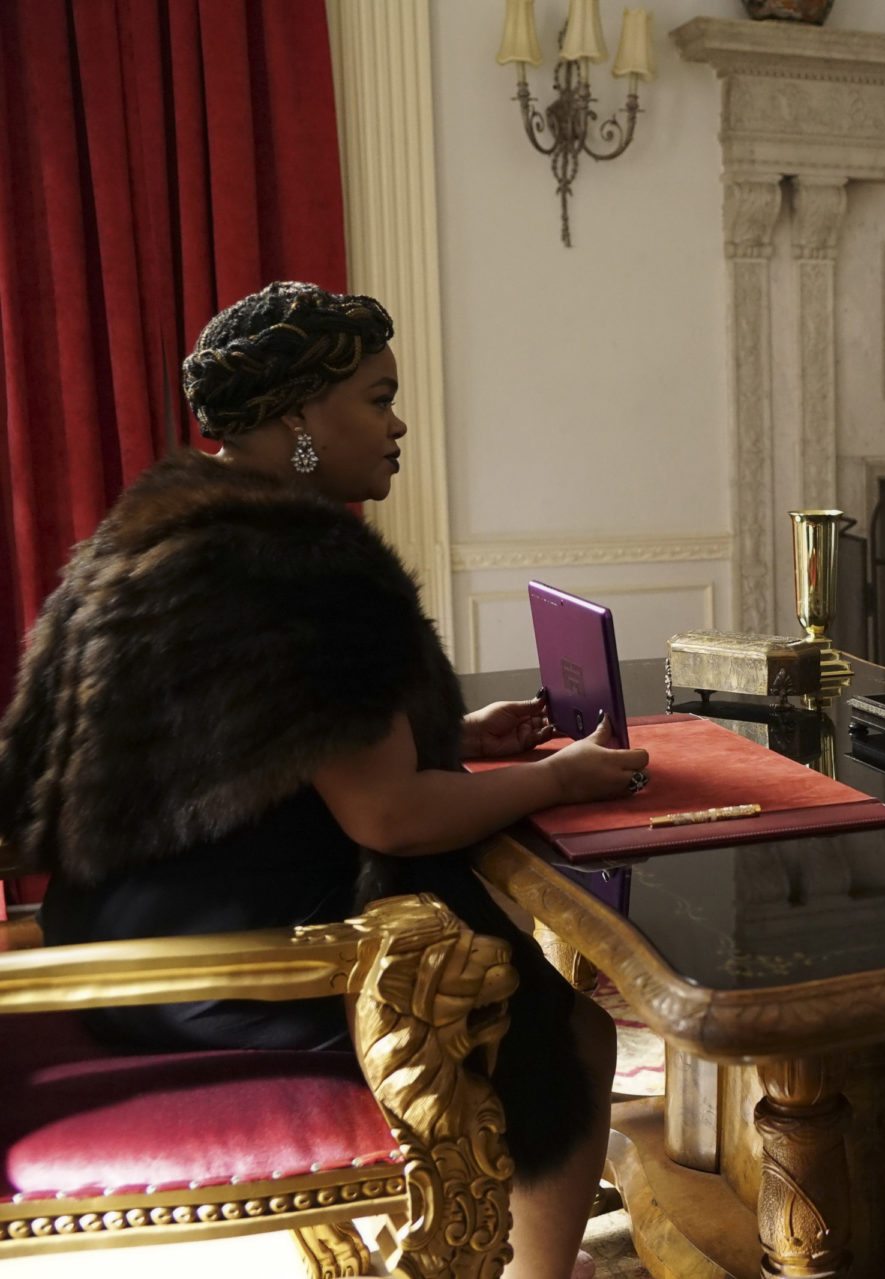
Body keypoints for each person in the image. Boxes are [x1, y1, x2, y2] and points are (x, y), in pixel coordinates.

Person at [0, 282, 646, 1279]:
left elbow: (244, 739)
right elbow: (393, 815)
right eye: (378, 399)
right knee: (570, 1030)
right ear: (301, 414)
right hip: (227, 971)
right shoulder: (310, 563)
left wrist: (450, 733)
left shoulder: (158, 530)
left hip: (107, 937)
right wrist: (559, 779)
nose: (397, 427)